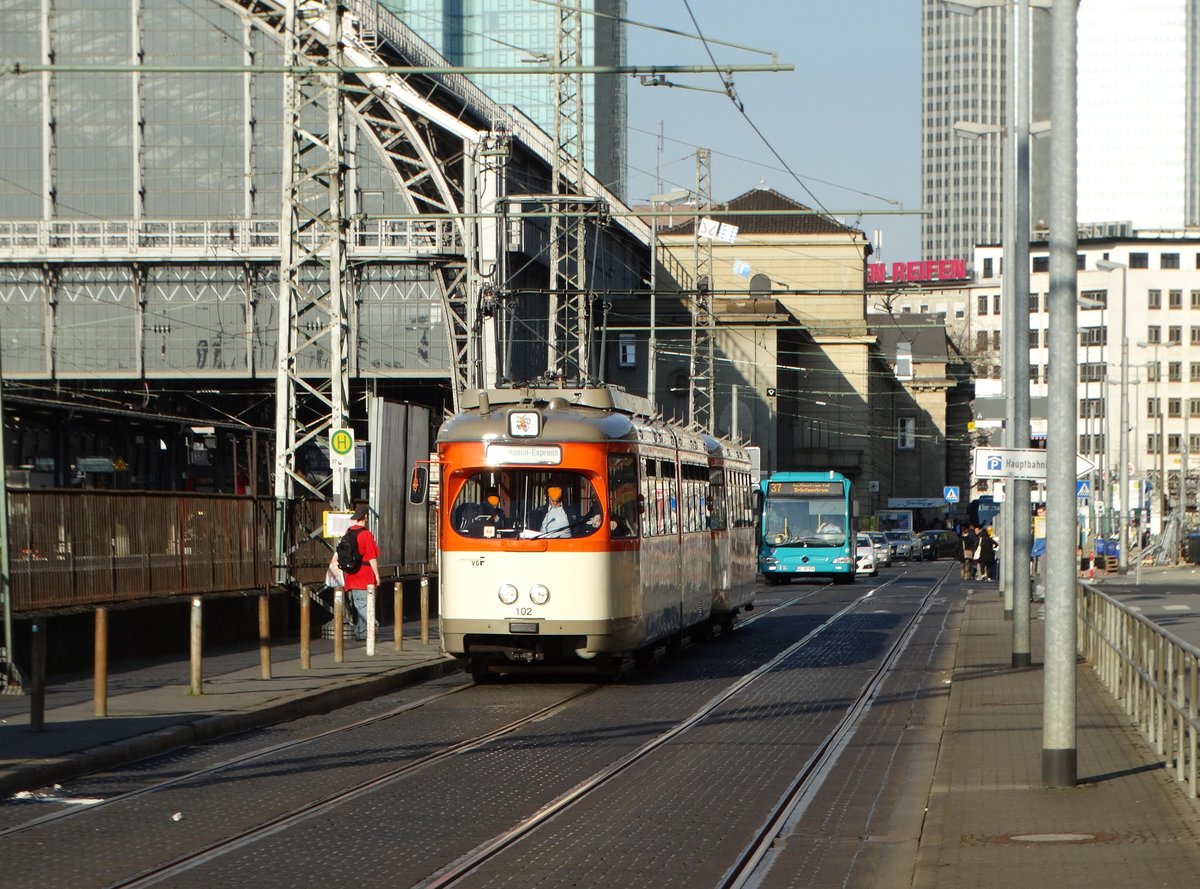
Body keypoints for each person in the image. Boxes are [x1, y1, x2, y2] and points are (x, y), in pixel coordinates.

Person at [330, 503, 381, 641]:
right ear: (365, 517)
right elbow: (371, 557)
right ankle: (369, 628)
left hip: (351, 576)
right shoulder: (366, 534)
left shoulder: (348, 532)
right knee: (364, 605)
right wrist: (376, 574)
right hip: (364, 576)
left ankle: (361, 632)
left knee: (359, 604)